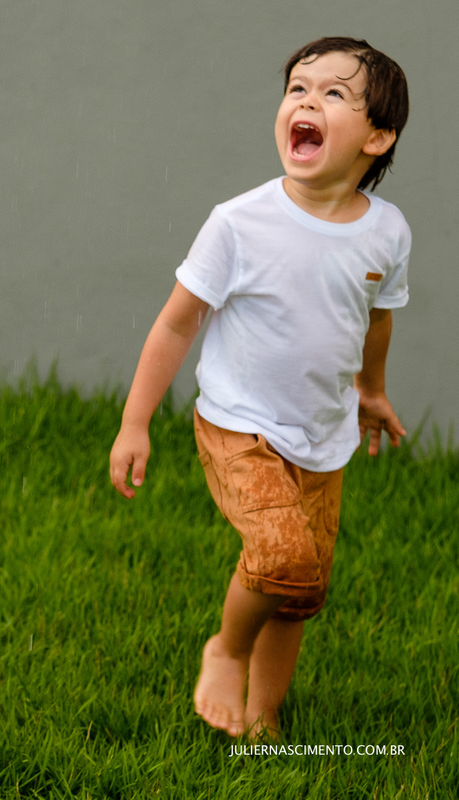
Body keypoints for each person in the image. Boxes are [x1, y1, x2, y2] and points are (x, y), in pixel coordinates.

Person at [109, 38, 410, 740]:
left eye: (334, 93)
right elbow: (177, 327)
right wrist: (135, 421)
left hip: (323, 436)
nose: (306, 100)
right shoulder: (240, 222)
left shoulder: (387, 233)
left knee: (301, 591)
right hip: (238, 425)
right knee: (281, 557)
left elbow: (375, 322)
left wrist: (372, 390)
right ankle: (227, 649)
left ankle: (263, 714)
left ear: (378, 136)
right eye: (298, 87)